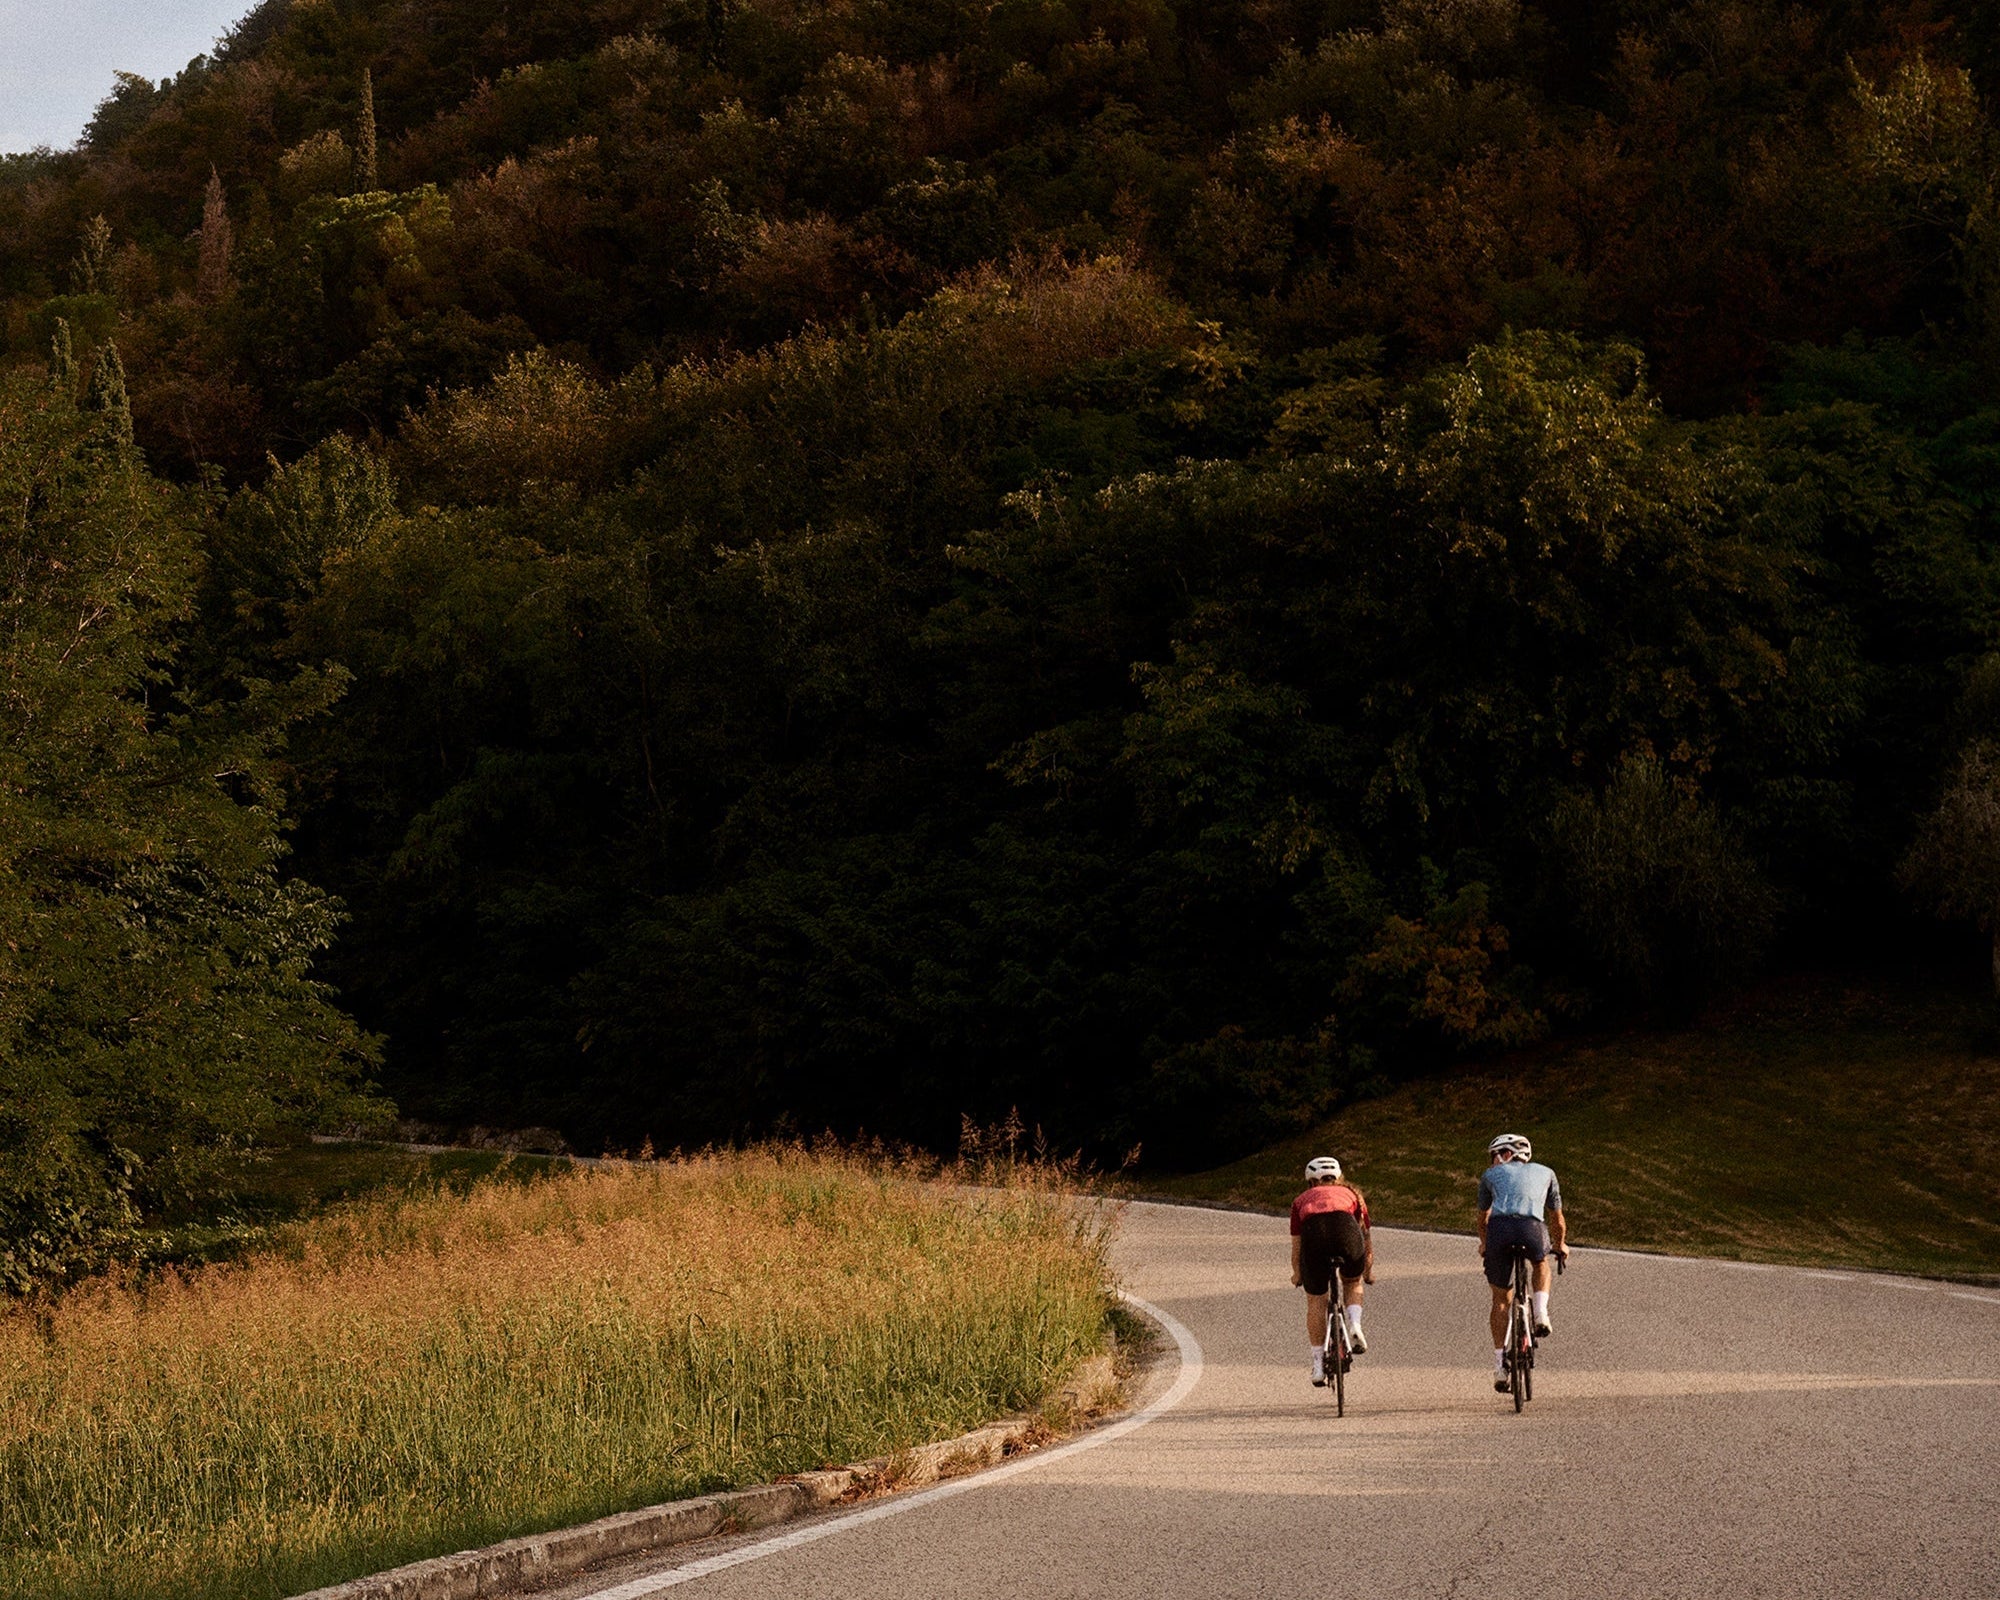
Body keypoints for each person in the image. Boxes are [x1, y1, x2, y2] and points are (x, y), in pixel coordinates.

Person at [1476, 1132, 1567, 1393]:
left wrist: (1484, 1244)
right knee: (1540, 1263)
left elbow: (1482, 1219)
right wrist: (1560, 1245)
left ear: (1506, 1155)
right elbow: (1557, 1219)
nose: (1493, 1162)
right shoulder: (1547, 1173)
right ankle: (1540, 1313)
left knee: (1501, 1301)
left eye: (1495, 1156)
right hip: (1532, 1228)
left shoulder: (1489, 1176)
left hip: (1500, 1229)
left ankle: (1499, 1366)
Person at [1289, 1155, 1374, 1386]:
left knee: (1316, 1301)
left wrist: (1297, 1273)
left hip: (1315, 1238)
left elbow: (1297, 1244)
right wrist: (1367, 1271)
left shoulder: (1300, 1200)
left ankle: (1317, 1364)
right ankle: (1354, 1324)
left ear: (1311, 1182)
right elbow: (1365, 1236)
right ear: (1338, 1178)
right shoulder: (1353, 1195)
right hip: (1346, 1232)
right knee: (1351, 1281)